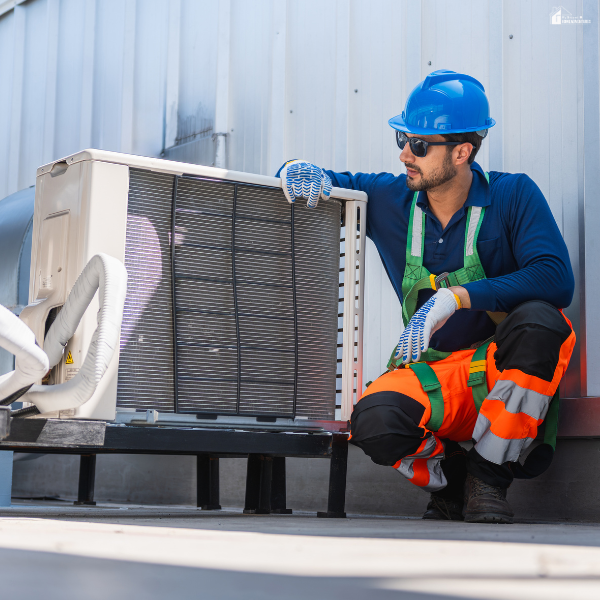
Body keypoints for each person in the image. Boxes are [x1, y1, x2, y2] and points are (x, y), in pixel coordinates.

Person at [277, 70, 575, 524]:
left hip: (499, 373)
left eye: (419, 145)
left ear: (462, 152)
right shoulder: (387, 198)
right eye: (403, 138)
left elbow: (556, 278)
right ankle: (454, 482)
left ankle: (489, 477)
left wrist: (456, 297)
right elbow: (321, 182)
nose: (403, 154)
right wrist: (295, 171)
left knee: (543, 323)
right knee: (373, 421)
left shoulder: (512, 196)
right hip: (435, 376)